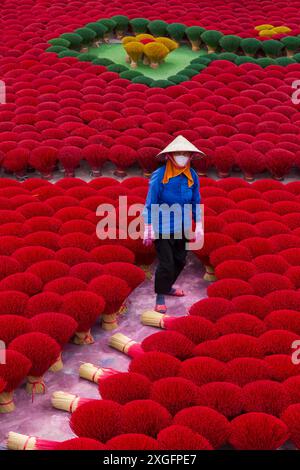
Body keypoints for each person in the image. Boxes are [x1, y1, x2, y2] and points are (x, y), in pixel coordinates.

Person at [143, 135, 205, 313]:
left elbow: (196, 200)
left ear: (191, 157)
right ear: (169, 156)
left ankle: (168, 287)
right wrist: (148, 227)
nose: (182, 157)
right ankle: (160, 296)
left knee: (180, 261)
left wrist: (199, 224)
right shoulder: (159, 175)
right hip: (162, 227)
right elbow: (150, 202)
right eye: (178, 154)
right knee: (166, 264)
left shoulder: (192, 175)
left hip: (183, 226)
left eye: (186, 154)